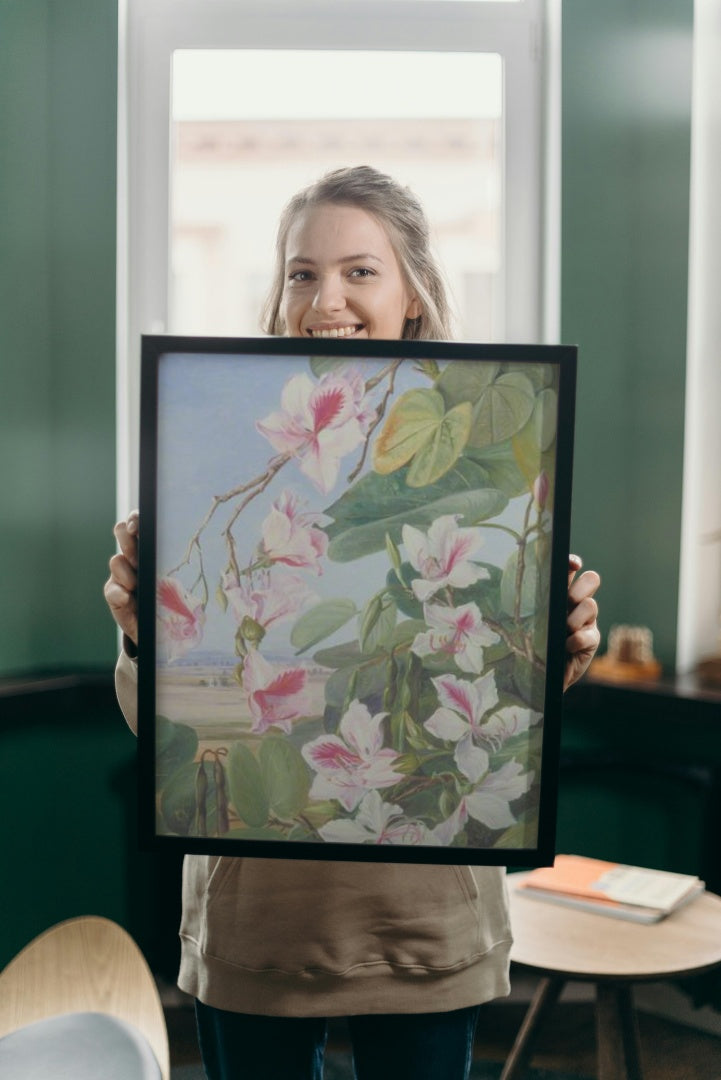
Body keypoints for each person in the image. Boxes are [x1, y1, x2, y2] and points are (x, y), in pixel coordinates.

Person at [105, 166, 601, 1080]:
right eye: (301, 272)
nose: (324, 298)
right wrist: (145, 637)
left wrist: (555, 648)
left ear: (413, 292)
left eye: (358, 271)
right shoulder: (216, 448)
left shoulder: (488, 461)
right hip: (258, 924)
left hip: (423, 920)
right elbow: (169, 732)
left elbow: (502, 708)